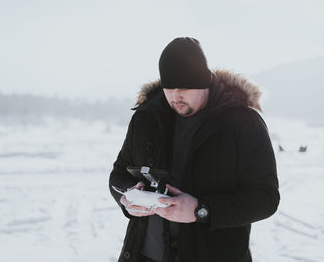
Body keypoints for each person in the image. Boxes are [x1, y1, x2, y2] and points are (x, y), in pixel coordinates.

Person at [109, 37, 280, 262]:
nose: (175, 96)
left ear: (204, 82)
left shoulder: (243, 123)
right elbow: (118, 175)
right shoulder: (146, 117)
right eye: (169, 87)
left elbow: (265, 198)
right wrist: (127, 198)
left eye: (185, 88)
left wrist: (201, 210)